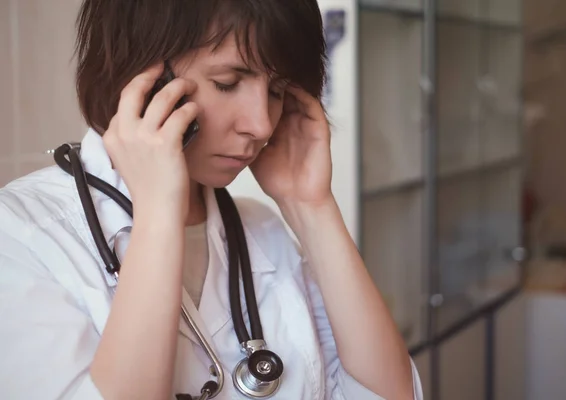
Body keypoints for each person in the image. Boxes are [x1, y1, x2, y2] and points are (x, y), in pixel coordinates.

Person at [0, 1, 423, 399]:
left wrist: (311, 206)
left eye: (276, 91)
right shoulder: (19, 234)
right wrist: (159, 213)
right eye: (227, 83)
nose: (260, 125)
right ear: (141, 80)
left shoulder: (263, 228)